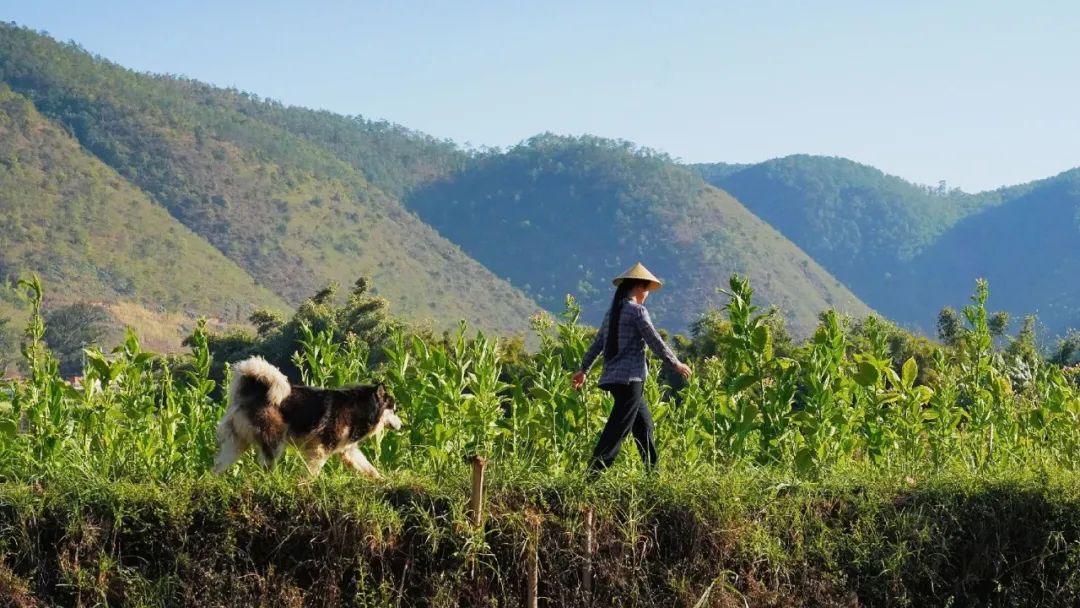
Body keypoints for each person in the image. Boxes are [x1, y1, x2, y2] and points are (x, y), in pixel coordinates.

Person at [571, 262, 692, 476]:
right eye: (646, 289)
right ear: (638, 287)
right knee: (618, 429)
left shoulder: (613, 313)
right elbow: (655, 341)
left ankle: (652, 476)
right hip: (631, 379)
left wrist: (584, 369)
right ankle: (592, 475)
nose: (646, 294)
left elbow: (598, 343)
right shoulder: (637, 311)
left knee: (644, 427)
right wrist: (676, 363)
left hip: (614, 379)